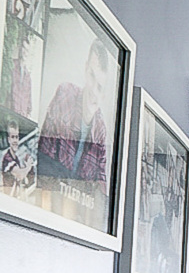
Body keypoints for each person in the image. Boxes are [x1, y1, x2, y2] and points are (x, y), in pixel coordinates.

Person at [38, 39, 113, 190]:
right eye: (92, 76)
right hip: (47, 195)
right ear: (85, 70)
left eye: (99, 87)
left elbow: (100, 187)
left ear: (104, 96)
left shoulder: (100, 131)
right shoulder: (64, 95)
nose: (93, 90)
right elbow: (43, 160)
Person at [1, 118, 36, 197]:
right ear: (9, 139)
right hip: (7, 199)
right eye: (12, 137)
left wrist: (30, 168)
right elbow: (20, 175)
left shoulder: (16, 158)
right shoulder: (7, 158)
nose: (15, 140)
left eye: (16, 137)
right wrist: (28, 167)